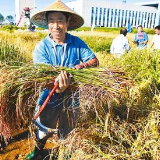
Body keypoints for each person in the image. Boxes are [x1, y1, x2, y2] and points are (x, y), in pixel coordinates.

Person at [25, 0, 99, 159]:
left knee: (68, 128)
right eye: (51, 21)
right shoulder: (41, 47)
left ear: (67, 22)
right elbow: (43, 74)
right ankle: (38, 151)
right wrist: (58, 86)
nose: (56, 25)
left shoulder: (76, 42)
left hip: (72, 95)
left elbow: (94, 60)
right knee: (44, 128)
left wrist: (81, 66)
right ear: (47, 23)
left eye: (60, 20)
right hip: (49, 95)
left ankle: (65, 153)